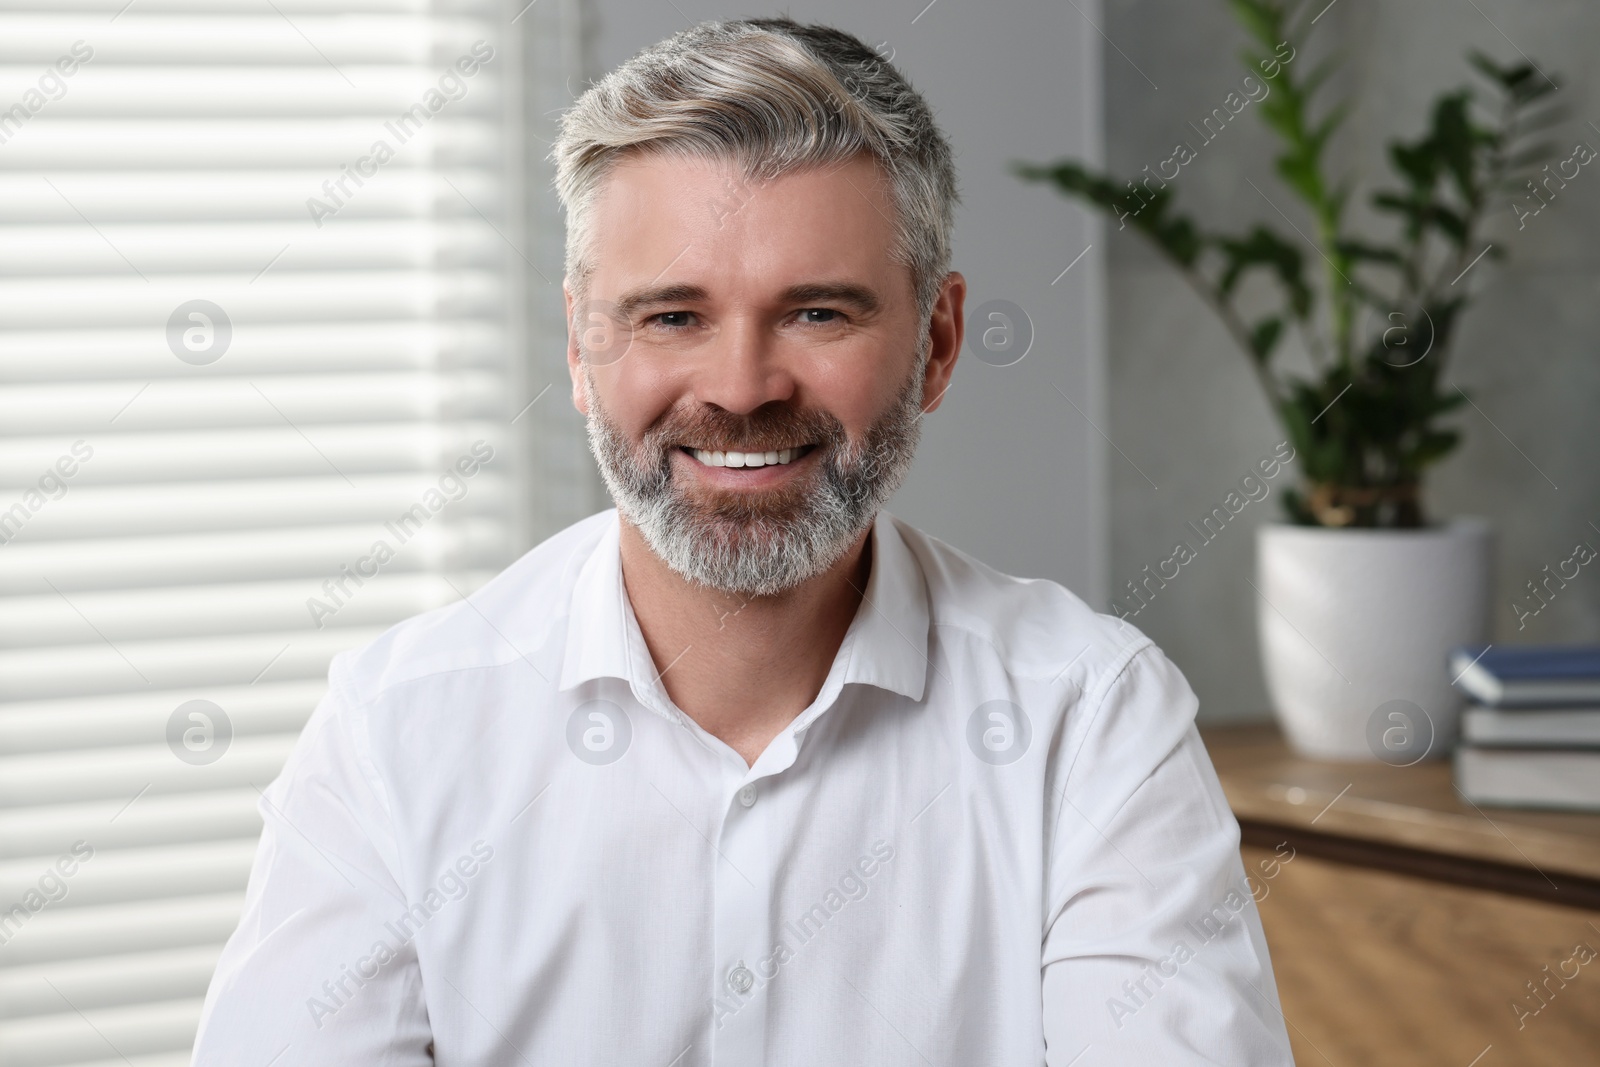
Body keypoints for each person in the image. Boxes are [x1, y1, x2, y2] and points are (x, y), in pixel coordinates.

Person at [192, 16, 1294, 1065]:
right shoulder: (398, 731)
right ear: (581, 347)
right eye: (672, 315)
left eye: (818, 312)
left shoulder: (1089, 720)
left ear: (939, 342)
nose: (738, 388)